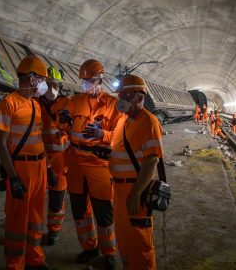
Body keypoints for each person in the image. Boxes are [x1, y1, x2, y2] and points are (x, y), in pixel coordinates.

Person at [58, 59, 121, 269]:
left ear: (100, 79)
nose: (85, 84)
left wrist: (102, 134)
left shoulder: (112, 104)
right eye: (83, 80)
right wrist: (62, 121)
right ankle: (89, 247)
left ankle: (109, 253)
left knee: (103, 211)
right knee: (79, 210)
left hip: (98, 163)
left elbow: (121, 137)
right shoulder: (75, 101)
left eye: (89, 80)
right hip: (75, 163)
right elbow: (63, 128)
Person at [0, 56, 56, 270]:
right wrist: (13, 177)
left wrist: (48, 167)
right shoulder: (8, 103)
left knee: (36, 215)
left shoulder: (35, 105)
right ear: (31, 79)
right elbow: (1, 144)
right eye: (42, 79)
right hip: (20, 168)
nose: (44, 84)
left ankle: (35, 259)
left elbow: (38, 139)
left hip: (39, 167)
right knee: (17, 218)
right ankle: (15, 264)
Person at [109, 75, 166, 270]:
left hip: (135, 191)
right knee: (125, 239)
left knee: (140, 242)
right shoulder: (123, 122)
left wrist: (136, 193)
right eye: (120, 95)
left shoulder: (148, 122)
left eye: (126, 95)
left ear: (139, 97)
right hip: (119, 191)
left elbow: (152, 161)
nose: (120, 99)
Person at [39, 66, 70, 246]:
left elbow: (75, 130)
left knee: (57, 200)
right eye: (47, 84)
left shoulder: (67, 104)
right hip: (39, 160)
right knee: (36, 200)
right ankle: (33, 231)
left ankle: (53, 232)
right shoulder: (35, 103)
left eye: (55, 85)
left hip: (60, 162)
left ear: (60, 86)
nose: (51, 89)